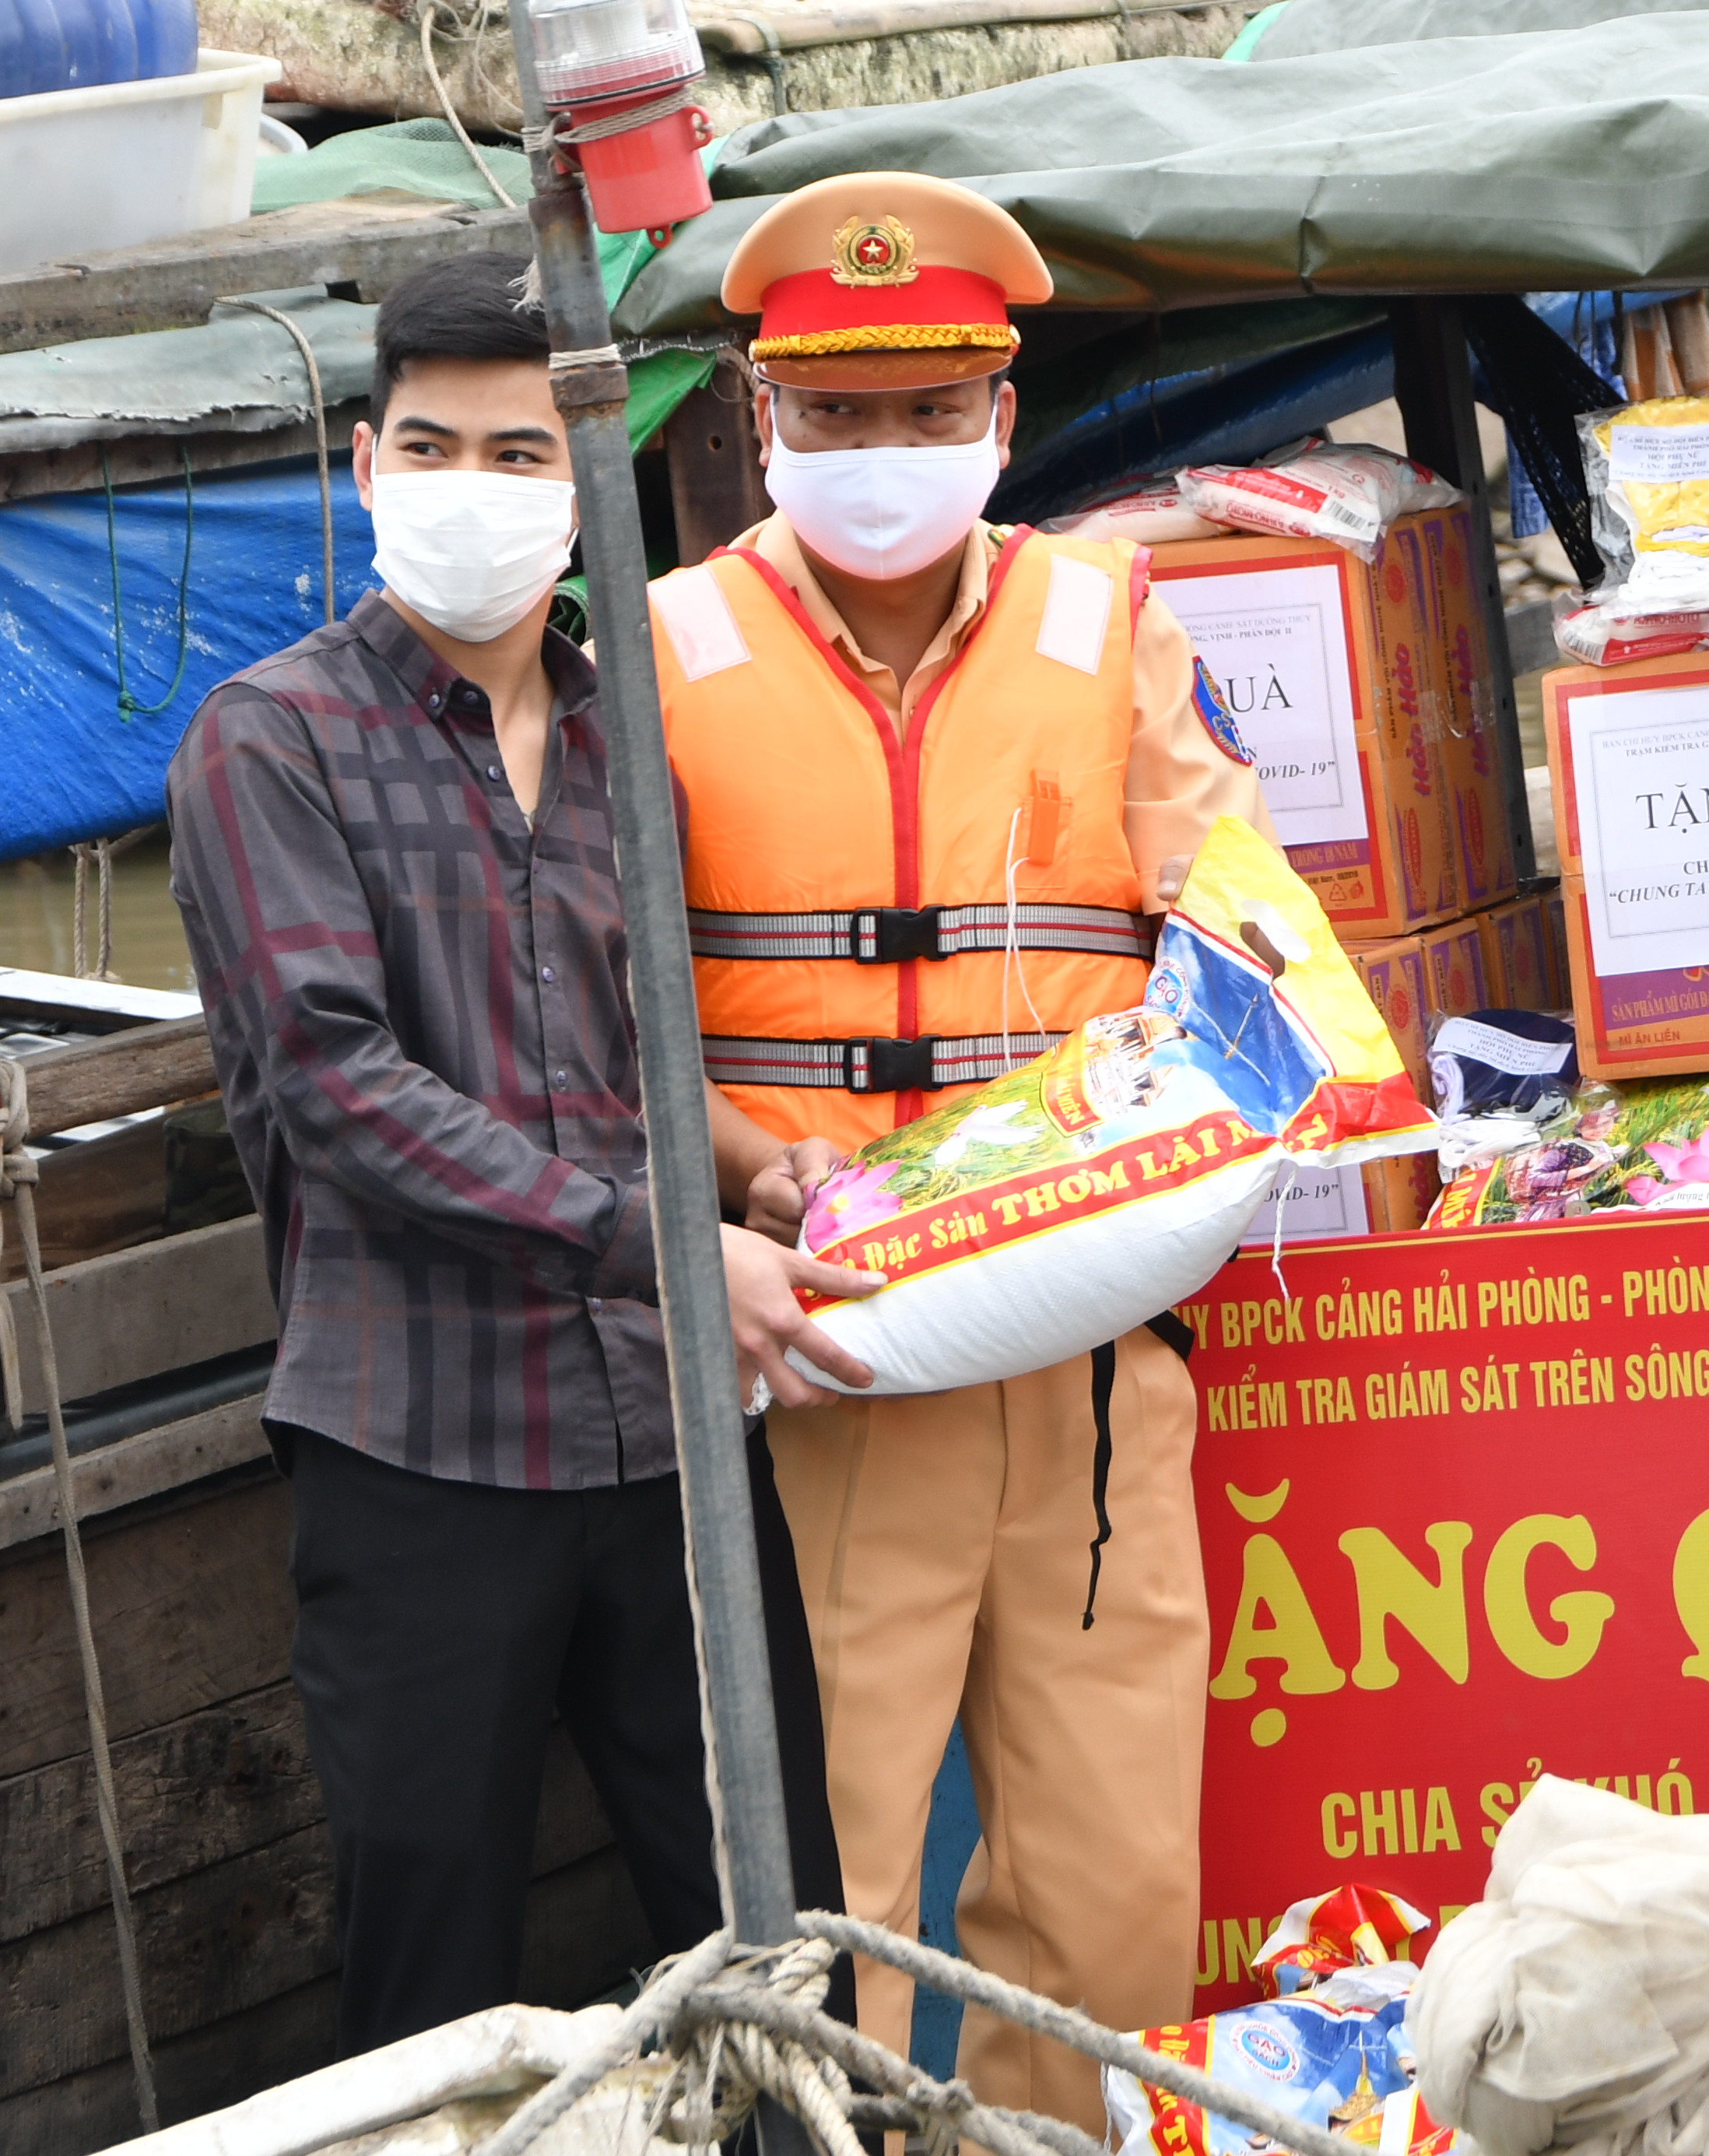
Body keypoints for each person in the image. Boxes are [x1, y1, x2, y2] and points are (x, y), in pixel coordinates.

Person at [167, 250, 850, 2052]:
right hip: (422, 1450)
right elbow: (341, 1088)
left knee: (783, 1947)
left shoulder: (636, 746)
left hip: (672, 1448)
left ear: (582, 480)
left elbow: (634, 1058)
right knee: (435, 1986)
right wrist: (667, 1245)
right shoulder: (272, 740)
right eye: (431, 445)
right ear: (365, 461)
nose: (470, 485)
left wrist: (756, 1171)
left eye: (519, 451)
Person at [652, 174, 1265, 2133]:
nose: (884, 448)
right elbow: (596, 1011)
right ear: (765, 418)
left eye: (928, 409)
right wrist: (744, 1171)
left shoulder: (1111, 617)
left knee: (1116, 1891)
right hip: (819, 1355)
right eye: (838, 413)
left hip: (1091, 1353)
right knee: (824, 1898)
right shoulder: (658, 647)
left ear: (1002, 417)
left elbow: (1240, 925)